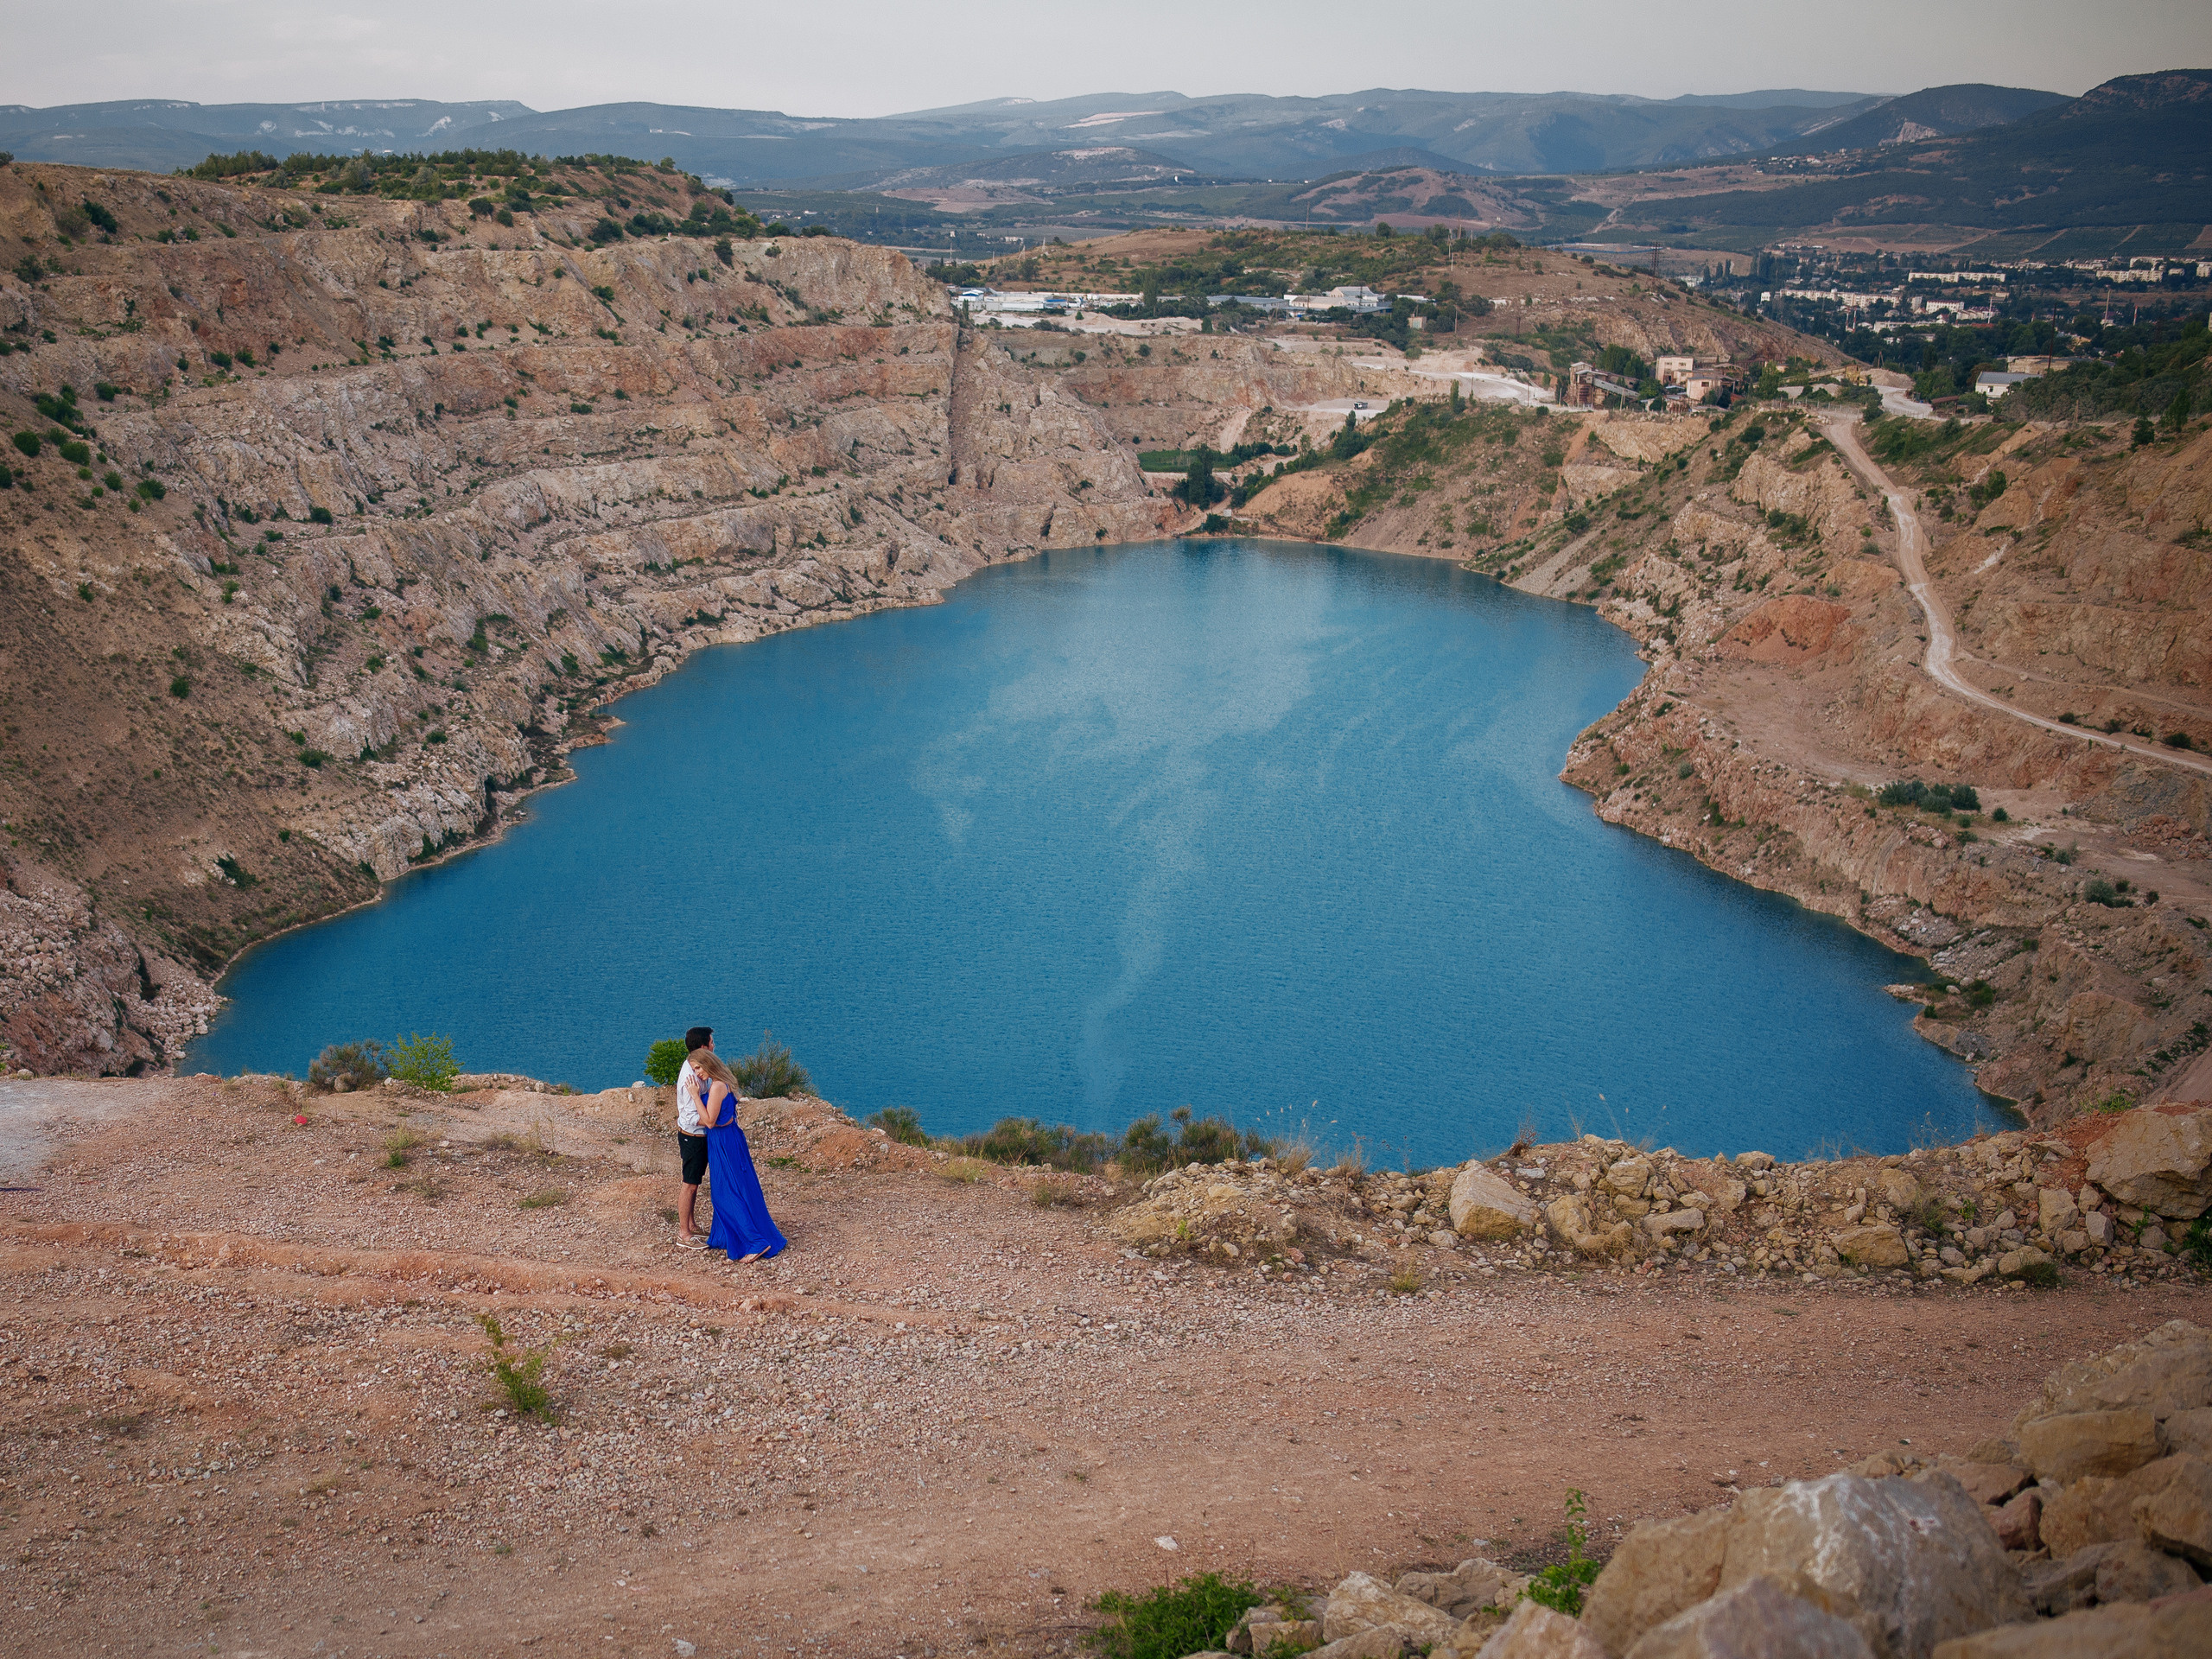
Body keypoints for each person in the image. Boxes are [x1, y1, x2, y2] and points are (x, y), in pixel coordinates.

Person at [690, 1044, 788, 1262]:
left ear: (708, 1063)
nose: (697, 1073)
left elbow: (710, 1121)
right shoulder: (720, 1083)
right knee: (736, 1189)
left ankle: (756, 1242)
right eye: (694, 1070)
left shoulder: (716, 1087)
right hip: (727, 1139)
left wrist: (695, 1097)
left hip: (724, 1141)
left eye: (698, 1068)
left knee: (726, 1193)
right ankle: (725, 1236)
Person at [673, 1027, 716, 1250]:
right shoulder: (691, 1076)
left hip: (697, 1136)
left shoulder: (696, 1066)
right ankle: (684, 1234)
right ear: (702, 1047)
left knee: (695, 1183)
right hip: (693, 1137)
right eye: (711, 1042)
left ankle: (691, 1225)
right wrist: (711, 1119)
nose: (714, 1045)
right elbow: (689, 1116)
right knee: (689, 1185)